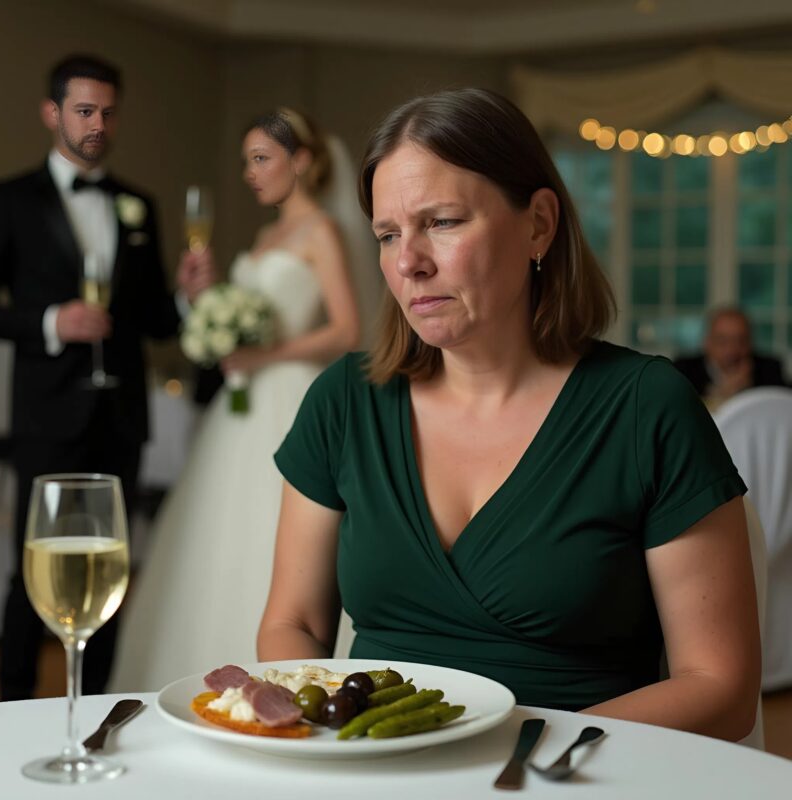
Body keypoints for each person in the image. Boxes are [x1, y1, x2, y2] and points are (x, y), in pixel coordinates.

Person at [258, 88, 761, 742]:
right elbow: (290, 622)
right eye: (388, 234)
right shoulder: (342, 403)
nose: (408, 262)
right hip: (375, 772)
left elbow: (721, 689)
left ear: (539, 225)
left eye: (442, 221)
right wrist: (326, 735)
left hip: (576, 777)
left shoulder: (646, 408)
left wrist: (509, 746)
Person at [111, 108, 369, 692]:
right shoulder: (264, 237)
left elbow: (348, 331)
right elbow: (245, 324)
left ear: (300, 161)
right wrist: (205, 297)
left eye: (261, 159)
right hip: (240, 409)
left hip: (288, 399)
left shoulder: (321, 232)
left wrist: (265, 357)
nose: (251, 174)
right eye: (248, 161)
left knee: (278, 532)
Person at [0, 54, 212, 700]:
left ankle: (98, 711)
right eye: (85, 111)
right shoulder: (8, 202)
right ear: (52, 112)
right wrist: (55, 321)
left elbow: (153, 321)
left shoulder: (137, 204)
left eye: (108, 112)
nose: (98, 124)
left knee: (109, 568)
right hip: (46, 415)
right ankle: (7, 717)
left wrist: (188, 297)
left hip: (120, 420)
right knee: (34, 570)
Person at [674, 306, 787, 413]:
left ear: (750, 343)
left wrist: (746, 393)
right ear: (707, 342)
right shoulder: (684, 370)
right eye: (722, 341)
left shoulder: (770, 369)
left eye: (741, 341)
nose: (732, 350)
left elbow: (783, 409)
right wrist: (720, 396)